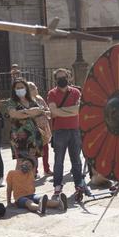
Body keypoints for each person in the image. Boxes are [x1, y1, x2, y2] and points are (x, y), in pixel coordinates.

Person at [47, 68, 92, 203]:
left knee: (76, 160)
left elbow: (79, 109)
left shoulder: (76, 92)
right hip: (59, 131)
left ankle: (78, 184)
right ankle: (57, 185)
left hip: (75, 130)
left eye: (64, 77)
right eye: (59, 77)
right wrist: (70, 111)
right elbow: (53, 112)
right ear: (55, 80)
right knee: (58, 161)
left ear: (69, 77)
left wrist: (61, 111)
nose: (62, 79)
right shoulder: (52, 93)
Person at [3, 79, 44, 170]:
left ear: (26, 88)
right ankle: (18, 183)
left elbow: (40, 111)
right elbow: (13, 114)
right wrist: (30, 112)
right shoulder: (11, 102)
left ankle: (30, 183)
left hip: (33, 135)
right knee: (20, 161)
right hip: (18, 135)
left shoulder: (32, 101)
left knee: (33, 161)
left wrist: (22, 112)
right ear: (14, 90)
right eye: (18, 88)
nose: (20, 89)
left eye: (22, 87)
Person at [27, 82, 53, 176]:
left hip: (44, 127)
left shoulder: (40, 98)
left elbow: (47, 109)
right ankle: (35, 171)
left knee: (45, 149)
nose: (36, 89)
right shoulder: (26, 101)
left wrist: (46, 112)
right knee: (35, 150)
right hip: (34, 128)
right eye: (34, 88)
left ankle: (47, 169)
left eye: (35, 87)